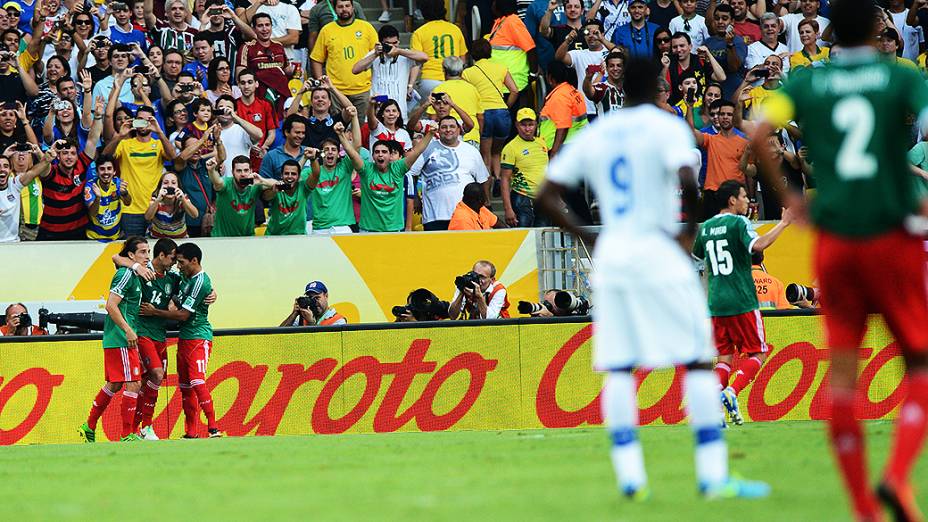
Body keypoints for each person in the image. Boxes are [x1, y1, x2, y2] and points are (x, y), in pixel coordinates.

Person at [535, 56, 769, 501]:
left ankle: (630, 479)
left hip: (616, 257)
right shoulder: (667, 129)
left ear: (624, 88)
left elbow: (547, 193)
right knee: (699, 360)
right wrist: (683, 234)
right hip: (661, 254)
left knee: (620, 368)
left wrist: (589, 237)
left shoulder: (600, 132)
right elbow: (689, 184)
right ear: (660, 88)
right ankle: (712, 475)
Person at [751, 2, 928, 518]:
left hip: (834, 242)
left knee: (844, 376)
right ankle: (897, 475)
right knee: (919, 363)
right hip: (890, 236)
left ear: (829, 36)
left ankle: (862, 509)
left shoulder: (807, 84)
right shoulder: (900, 79)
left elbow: (758, 132)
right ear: (878, 33)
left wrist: (791, 197)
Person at [692, 180, 792, 426]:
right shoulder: (738, 223)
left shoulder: (705, 228)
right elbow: (758, 245)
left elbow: (697, 255)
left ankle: (715, 408)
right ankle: (732, 391)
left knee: (724, 358)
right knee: (759, 351)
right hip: (741, 300)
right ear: (732, 200)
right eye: (744, 196)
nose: (748, 201)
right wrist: (784, 223)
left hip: (716, 303)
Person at [79, 236, 149, 443]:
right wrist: (128, 330)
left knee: (115, 384)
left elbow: (116, 257)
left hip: (118, 338)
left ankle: (88, 426)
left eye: (148, 251)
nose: (147, 256)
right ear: (131, 255)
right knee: (134, 383)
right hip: (121, 338)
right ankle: (127, 434)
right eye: (143, 252)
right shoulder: (126, 274)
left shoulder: (135, 274)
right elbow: (111, 305)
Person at [155, 242, 222, 438]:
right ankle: (191, 432)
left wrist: (155, 312)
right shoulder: (185, 276)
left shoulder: (201, 282)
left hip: (199, 337)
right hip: (185, 338)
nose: (178, 265)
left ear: (194, 261)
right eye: (177, 261)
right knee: (184, 386)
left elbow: (184, 315)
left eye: (182, 262)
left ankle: (213, 428)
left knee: (196, 381)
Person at [127, 237, 181, 440]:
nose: (174, 262)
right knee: (156, 375)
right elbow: (117, 258)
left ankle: (135, 428)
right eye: (172, 258)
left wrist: (212, 293)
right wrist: (135, 265)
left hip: (160, 336)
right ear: (162, 255)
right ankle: (147, 426)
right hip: (143, 333)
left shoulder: (172, 278)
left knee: (148, 381)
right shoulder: (143, 272)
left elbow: (192, 281)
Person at [408, 116, 491, 231]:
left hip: (466, 215)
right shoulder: (427, 148)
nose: (448, 130)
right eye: (444, 127)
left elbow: (483, 180)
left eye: (452, 126)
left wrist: (485, 203)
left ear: (458, 130)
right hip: (435, 215)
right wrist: (416, 198)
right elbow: (411, 174)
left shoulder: (471, 150)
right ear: (438, 130)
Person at [105, 105, 177, 237]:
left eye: (147, 120)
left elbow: (173, 157)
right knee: (132, 252)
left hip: (157, 208)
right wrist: (120, 136)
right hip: (130, 210)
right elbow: (105, 157)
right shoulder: (124, 144)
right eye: (139, 119)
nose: (143, 124)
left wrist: (160, 132)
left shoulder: (159, 144)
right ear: (134, 122)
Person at [37, 108, 104, 241]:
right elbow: (43, 168)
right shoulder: (51, 171)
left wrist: (97, 117)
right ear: (59, 156)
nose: (69, 157)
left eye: (73, 153)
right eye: (65, 153)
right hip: (50, 233)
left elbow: (92, 139)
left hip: (78, 231)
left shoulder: (81, 164)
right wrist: (49, 154)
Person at [309, 0, 377, 123]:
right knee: (337, 128)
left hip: (362, 90)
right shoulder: (327, 30)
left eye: (347, 6)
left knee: (360, 129)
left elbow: (376, 54)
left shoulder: (366, 27)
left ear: (353, 7)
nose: (344, 9)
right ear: (335, 9)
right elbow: (316, 58)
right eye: (340, 6)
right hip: (336, 91)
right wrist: (321, 83)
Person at [358, 129, 436, 233]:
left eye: (384, 152)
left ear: (390, 155)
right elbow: (353, 152)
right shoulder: (367, 169)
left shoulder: (399, 169)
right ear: (372, 156)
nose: (380, 155)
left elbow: (418, 151)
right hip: (368, 230)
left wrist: (430, 133)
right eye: (377, 152)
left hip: (394, 229)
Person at [461, 38, 519, 179]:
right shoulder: (501, 67)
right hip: (502, 114)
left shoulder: (467, 73)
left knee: (485, 155)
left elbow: (466, 95)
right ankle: (499, 179)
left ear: (472, 54)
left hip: (483, 115)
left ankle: (487, 192)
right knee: (497, 152)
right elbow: (514, 91)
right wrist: (506, 107)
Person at [352, 24, 427, 121]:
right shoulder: (374, 54)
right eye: (388, 43)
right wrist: (375, 54)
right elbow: (355, 70)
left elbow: (424, 57)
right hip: (378, 112)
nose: (392, 46)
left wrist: (399, 51)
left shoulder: (404, 54)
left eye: (395, 43)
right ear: (381, 43)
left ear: (399, 41)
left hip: (399, 112)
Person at [693, 100, 748, 219]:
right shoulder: (711, 139)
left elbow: (751, 172)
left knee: (734, 233)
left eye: (729, 114)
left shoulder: (744, 142)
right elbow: (691, 132)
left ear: (735, 117)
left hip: (735, 195)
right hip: (713, 194)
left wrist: (751, 197)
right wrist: (689, 107)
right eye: (722, 114)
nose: (725, 117)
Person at [556, 19, 615, 119]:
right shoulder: (579, 54)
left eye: (595, 33)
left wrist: (602, 39)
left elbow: (621, 54)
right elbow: (559, 57)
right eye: (587, 32)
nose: (591, 36)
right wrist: (568, 40)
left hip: (608, 108)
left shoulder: (611, 53)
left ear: (602, 34)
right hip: (587, 110)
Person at [207, 154, 278, 237]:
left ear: (251, 171)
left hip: (247, 237)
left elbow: (281, 185)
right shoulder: (227, 184)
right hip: (223, 237)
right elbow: (217, 182)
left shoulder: (255, 185)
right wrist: (211, 171)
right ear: (232, 172)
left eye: (246, 170)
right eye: (239, 171)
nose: (243, 174)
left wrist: (262, 181)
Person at [500, 108, 549, 227]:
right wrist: (508, 209)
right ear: (516, 125)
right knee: (523, 237)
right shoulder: (510, 148)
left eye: (530, 124)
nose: (527, 129)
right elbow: (505, 179)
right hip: (522, 197)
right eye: (523, 125)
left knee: (544, 236)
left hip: (543, 196)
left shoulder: (542, 142)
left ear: (536, 124)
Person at [411, 0, 468, 100]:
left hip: (429, 79)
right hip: (453, 79)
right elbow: (462, 59)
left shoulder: (419, 32)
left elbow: (416, 62)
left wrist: (410, 85)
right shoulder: (455, 29)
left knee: (431, 114)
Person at [237, 13, 290, 114]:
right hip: (260, 99)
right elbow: (239, 76)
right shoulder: (247, 47)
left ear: (271, 26)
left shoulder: (278, 46)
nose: (265, 29)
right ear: (254, 29)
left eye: (267, 25)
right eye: (260, 26)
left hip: (282, 97)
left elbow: (287, 70)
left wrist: (296, 70)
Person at [307, 128, 356, 234]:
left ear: (339, 154)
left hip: (342, 226)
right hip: (319, 227)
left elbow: (356, 145)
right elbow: (293, 178)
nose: (330, 152)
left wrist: (354, 116)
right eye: (326, 150)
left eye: (333, 149)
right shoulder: (312, 171)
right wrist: (305, 157)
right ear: (321, 154)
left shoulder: (345, 167)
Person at [0, 144, 50, 243]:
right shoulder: (10, 179)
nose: (21, 155)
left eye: (25, 153)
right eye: (17, 153)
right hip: (14, 227)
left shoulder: (22, 181)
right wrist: (5, 155)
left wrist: (42, 155)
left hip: (30, 228)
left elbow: (45, 168)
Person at [429, 57, 484, 147]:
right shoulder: (472, 88)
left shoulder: (439, 89)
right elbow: (480, 117)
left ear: (445, 70)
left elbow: (433, 117)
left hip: (449, 136)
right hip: (472, 136)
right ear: (461, 70)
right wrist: (479, 135)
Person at [539, 61, 587, 156]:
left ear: (550, 78)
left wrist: (554, 153)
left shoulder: (559, 97)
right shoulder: (572, 90)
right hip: (575, 143)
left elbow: (563, 127)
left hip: (563, 148)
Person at [235, 70, 278, 170]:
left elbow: (272, 132)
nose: (246, 86)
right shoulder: (234, 106)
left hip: (259, 155)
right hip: (239, 154)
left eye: (250, 82)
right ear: (238, 85)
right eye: (243, 83)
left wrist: (264, 146)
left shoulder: (266, 105)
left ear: (256, 84)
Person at [703, 3, 746, 99]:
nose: (720, 22)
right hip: (712, 95)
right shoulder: (708, 42)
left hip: (733, 93)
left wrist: (730, 44)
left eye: (725, 18)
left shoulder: (738, 41)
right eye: (717, 18)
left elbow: (734, 67)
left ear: (732, 21)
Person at [84, 154, 131, 242]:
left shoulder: (118, 183)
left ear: (114, 172)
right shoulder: (90, 186)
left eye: (109, 168)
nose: (106, 172)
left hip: (116, 237)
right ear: (97, 172)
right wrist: (98, 198)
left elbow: (128, 203)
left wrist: (124, 193)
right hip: (94, 238)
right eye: (102, 169)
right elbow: (93, 213)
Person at [263, 158, 314, 235]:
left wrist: (312, 159)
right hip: (274, 236)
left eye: (293, 174)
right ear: (281, 175)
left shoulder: (303, 188)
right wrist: (273, 191)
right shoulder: (276, 187)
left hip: (298, 236)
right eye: (286, 173)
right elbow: (266, 197)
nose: (290, 176)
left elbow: (316, 174)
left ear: (299, 176)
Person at [145, 171, 199, 238]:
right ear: (160, 186)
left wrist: (183, 200)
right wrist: (157, 200)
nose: (169, 185)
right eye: (165, 183)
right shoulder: (156, 197)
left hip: (180, 239)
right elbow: (148, 217)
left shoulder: (182, 198)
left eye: (173, 183)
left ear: (178, 186)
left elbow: (195, 215)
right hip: (157, 239)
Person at [280, 280, 347, 326]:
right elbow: (278, 336)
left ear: (326, 296)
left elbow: (329, 344)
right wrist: (294, 314)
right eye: (310, 298)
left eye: (317, 298)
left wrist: (311, 323)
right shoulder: (303, 318)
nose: (314, 302)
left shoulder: (338, 321)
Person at [584, 50, 625, 117]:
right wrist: (588, 78)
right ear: (607, 68)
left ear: (623, 68)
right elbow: (588, 91)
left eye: (619, 65)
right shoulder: (602, 88)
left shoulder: (629, 90)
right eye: (611, 66)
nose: (615, 68)